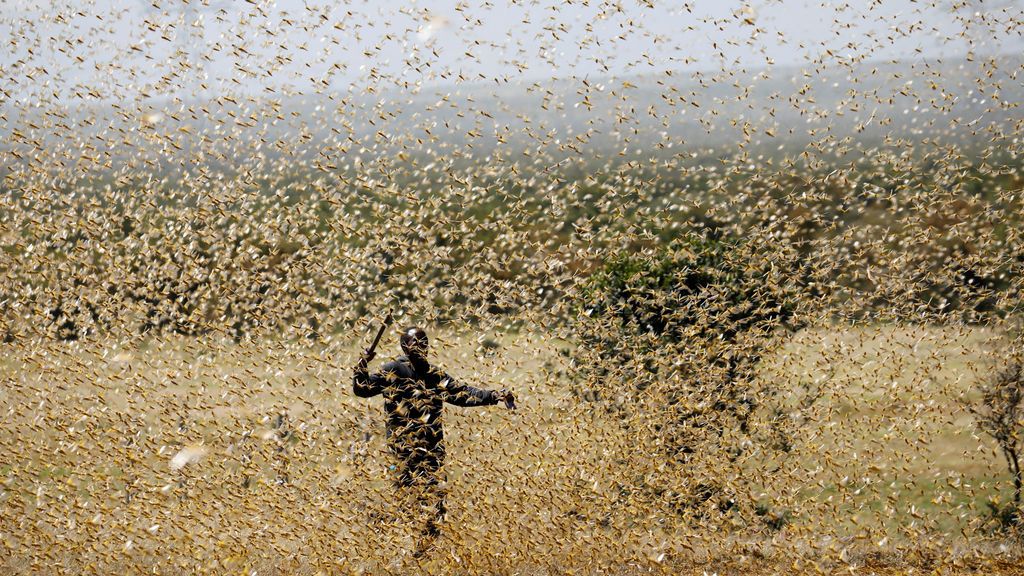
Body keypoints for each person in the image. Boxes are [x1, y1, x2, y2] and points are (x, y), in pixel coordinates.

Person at [352, 326, 514, 551]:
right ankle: (402, 545)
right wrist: (362, 362)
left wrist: (494, 395)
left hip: (432, 451)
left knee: (436, 504)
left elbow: (463, 394)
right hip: (404, 451)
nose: (420, 348)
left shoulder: (434, 375)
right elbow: (362, 389)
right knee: (409, 500)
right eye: (416, 344)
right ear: (406, 348)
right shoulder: (392, 370)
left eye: (423, 344)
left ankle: (423, 552)